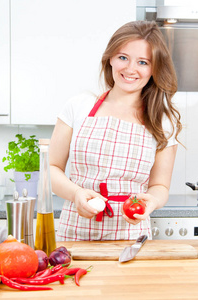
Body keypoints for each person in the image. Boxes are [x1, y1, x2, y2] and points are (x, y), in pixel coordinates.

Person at [49, 20, 182, 241]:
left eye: (143, 62)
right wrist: (76, 194)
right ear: (110, 58)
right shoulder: (78, 106)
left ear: (154, 68)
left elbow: (159, 185)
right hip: (75, 234)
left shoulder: (163, 121)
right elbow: (51, 169)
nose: (130, 69)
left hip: (131, 236)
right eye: (123, 58)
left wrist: (152, 201)